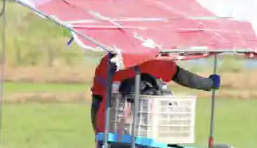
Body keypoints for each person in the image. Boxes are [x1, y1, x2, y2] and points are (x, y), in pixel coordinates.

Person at [90, 54, 221, 137]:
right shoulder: (157, 62)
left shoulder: (108, 62)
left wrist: (98, 133)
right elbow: (184, 77)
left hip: (110, 126)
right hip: (148, 129)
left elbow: (97, 99)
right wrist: (209, 83)